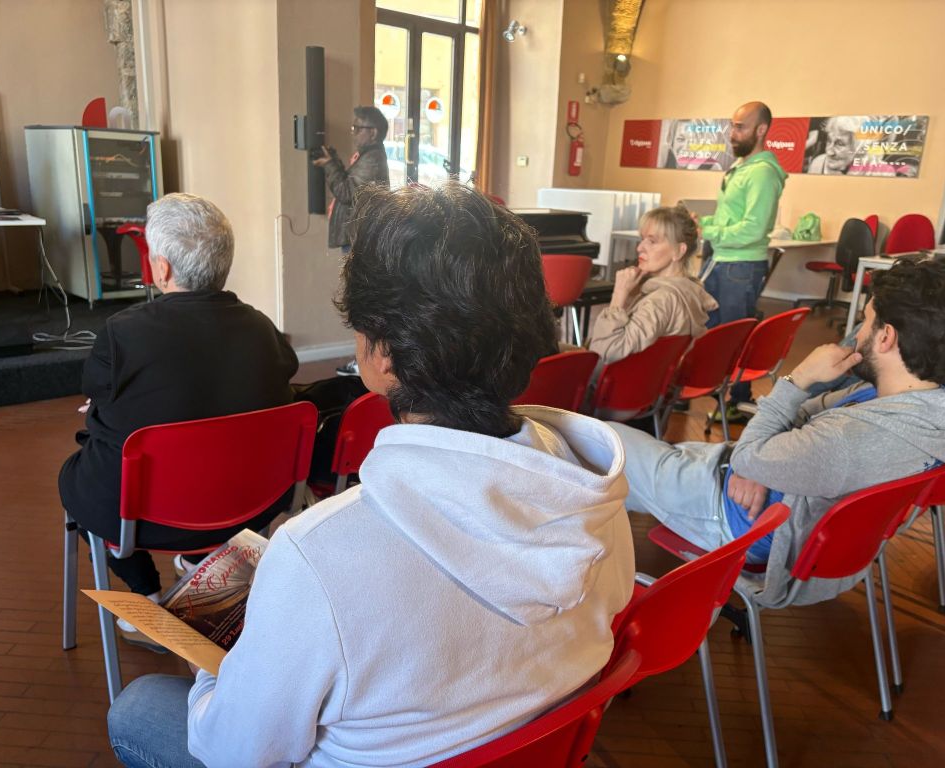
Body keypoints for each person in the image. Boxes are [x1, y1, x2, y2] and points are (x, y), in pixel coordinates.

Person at [106, 183, 636, 768]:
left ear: (382, 356)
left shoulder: (317, 557)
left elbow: (234, 753)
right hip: (534, 747)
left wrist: (216, 662)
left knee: (138, 708)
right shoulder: (594, 495)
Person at [609, 258, 945, 608]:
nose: (857, 334)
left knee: (597, 441)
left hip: (732, 516)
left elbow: (760, 448)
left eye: (866, 321)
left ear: (886, 338)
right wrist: (757, 464)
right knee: (618, 478)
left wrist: (798, 378)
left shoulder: (847, 439)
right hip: (752, 484)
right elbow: (806, 415)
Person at [59, 193, 299, 647]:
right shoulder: (263, 328)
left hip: (147, 517)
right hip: (250, 501)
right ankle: (198, 561)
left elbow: (100, 398)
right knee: (208, 444)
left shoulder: (122, 333)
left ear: (162, 268)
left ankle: (146, 593)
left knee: (84, 477)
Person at [698, 101, 787, 418]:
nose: (732, 133)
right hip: (722, 260)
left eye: (741, 127)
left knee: (735, 336)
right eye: (732, 125)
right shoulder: (742, 167)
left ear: (761, 130)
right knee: (709, 331)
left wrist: (708, 229)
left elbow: (754, 228)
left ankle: (736, 400)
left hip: (739, 267)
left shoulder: (762, 174)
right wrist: (708, 229)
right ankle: (704, 391)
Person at [313, 105, 390, 378]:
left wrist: (330, 165)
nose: (354, 132)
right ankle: (364, 360)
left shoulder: (373, 159)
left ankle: (365, 363)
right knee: (359, 299)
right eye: (354, 127)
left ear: (374, 132)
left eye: (359, 128)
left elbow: (347, 191)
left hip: (361, 238)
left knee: (361, 301)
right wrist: (333, 161)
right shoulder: (368, 156)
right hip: (358, 236)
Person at [588, 205, 717, 366]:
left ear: (679, 251)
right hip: (655, 385)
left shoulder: (659, 302)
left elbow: (604, 353)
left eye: (652, 241)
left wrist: (619, 295)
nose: (640, 247)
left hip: (618, 387)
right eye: (643, 239)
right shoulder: (690, 291)